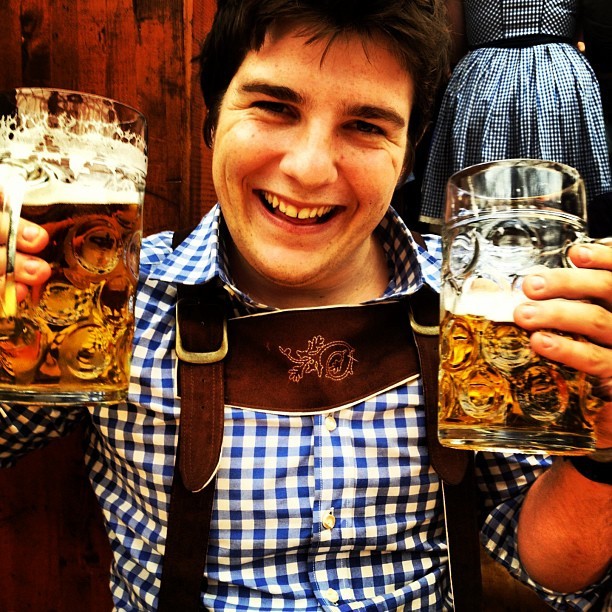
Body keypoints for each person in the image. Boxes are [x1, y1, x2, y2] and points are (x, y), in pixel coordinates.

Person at [2, 1, 611, 610]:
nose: (310, 169)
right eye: (275, 107)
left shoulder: (475, 311)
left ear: (408, 153)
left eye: (366, 126)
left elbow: (553, 567)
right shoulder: (114, 299)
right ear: (213, 118)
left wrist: (604, 454)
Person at [420, 0, 612, 232]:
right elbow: (597, 30)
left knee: (479, 219)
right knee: (568, 214)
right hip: (559, 80)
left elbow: (453, 42)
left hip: (483, 81)